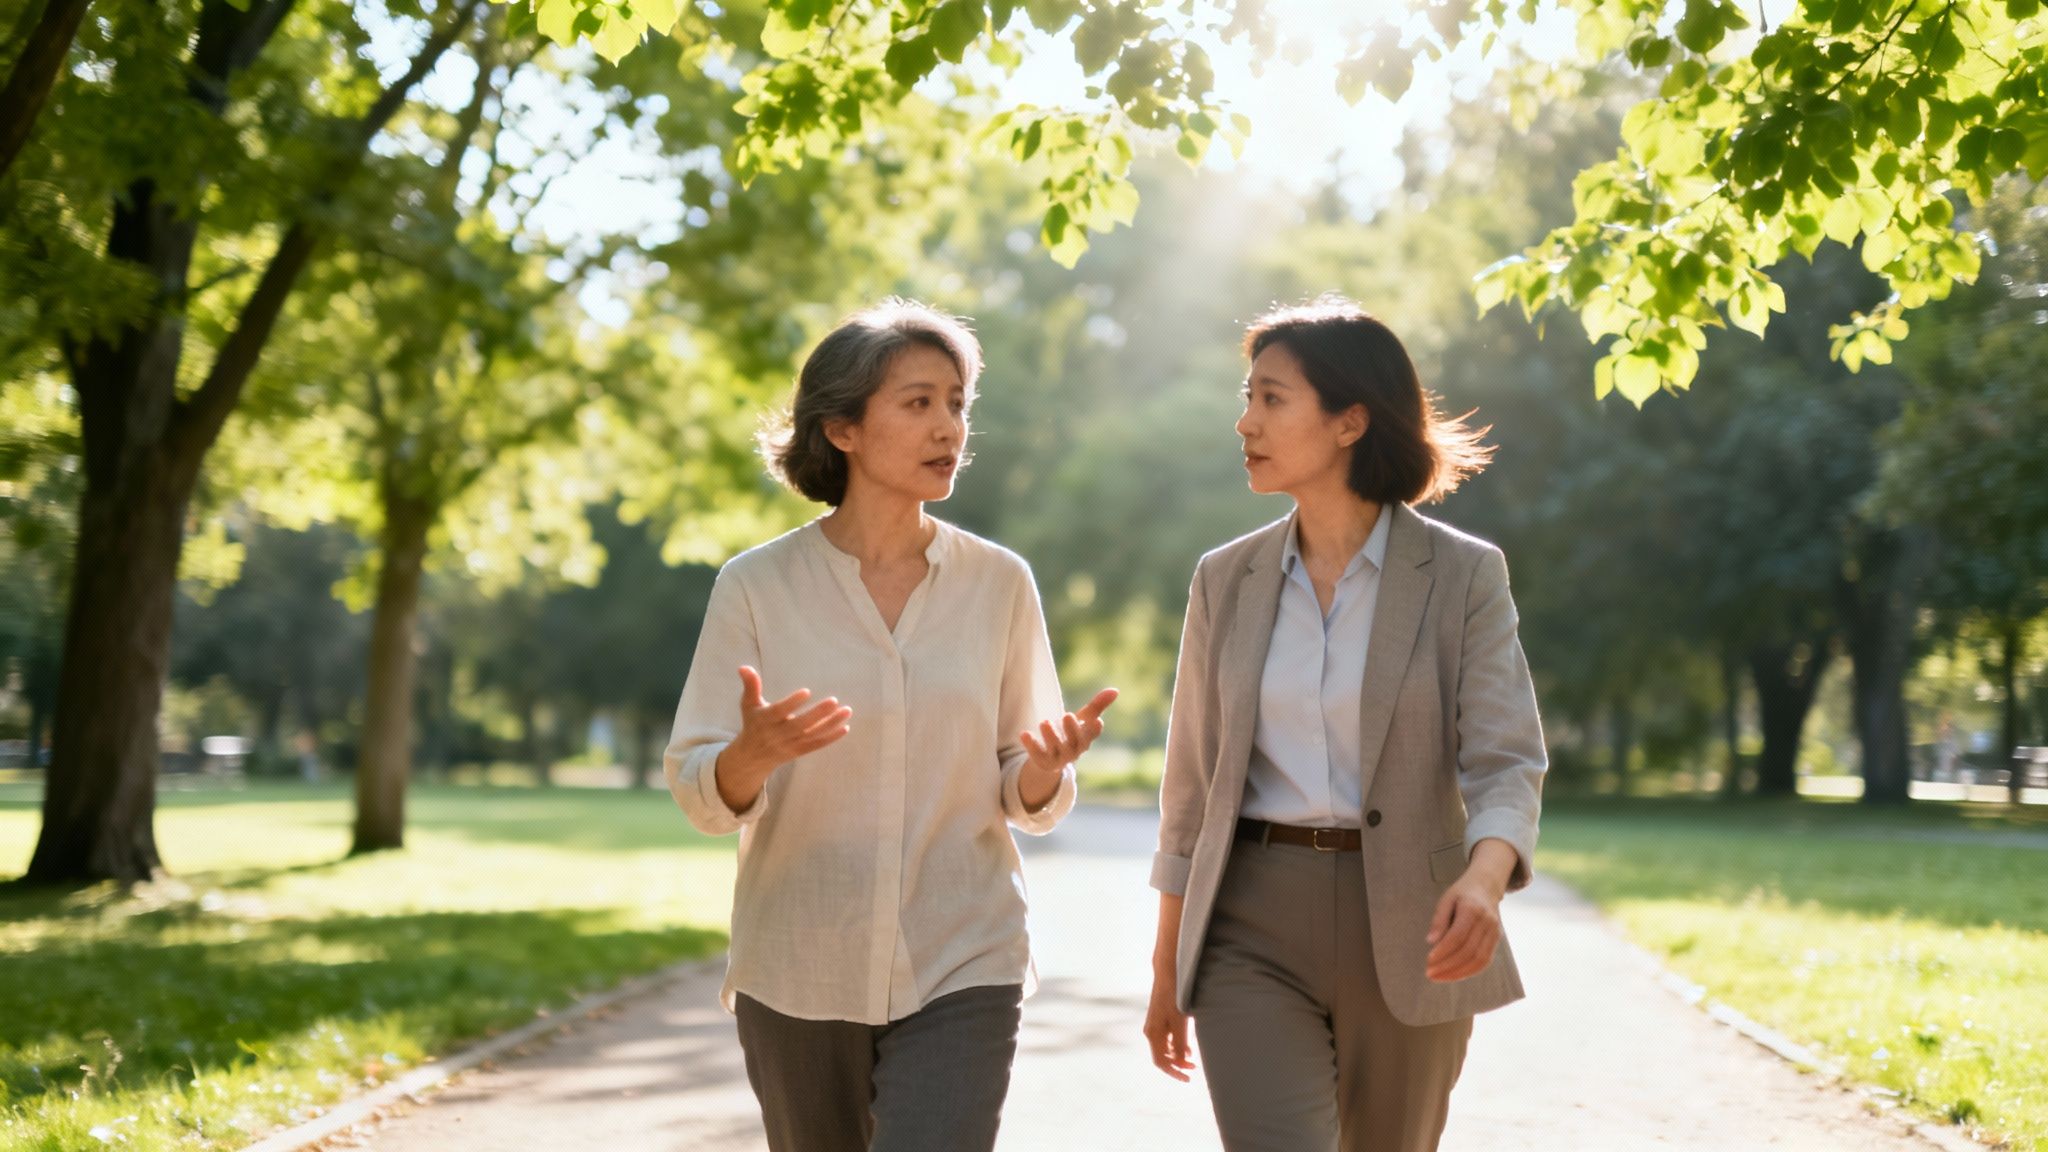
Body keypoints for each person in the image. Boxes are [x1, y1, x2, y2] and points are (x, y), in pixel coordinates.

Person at [664, 298, 1116, 1152]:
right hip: (799, 961)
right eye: (919, 403)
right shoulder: (757, 587)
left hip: (966, 949)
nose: (949, 426)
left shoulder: (1000, 584)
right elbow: (698, 785)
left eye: (957, 403)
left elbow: (1022, 782)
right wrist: (748, 759)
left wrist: (1044, 769)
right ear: (843, 430)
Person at [1143, 296, 1546, 1152]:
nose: (1245, 421)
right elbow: (1192, 785)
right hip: (1247, 922)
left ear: (1350, 421)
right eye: (1246, 396)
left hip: (1414, 922)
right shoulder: (1226, 579)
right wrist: (1165, 963)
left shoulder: (1464, 575)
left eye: (1272, 398)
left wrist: (1485, 877)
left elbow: (1507, 758)